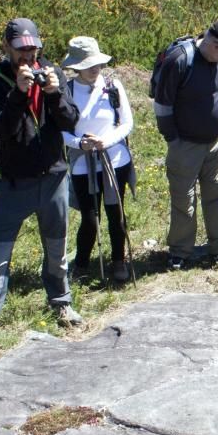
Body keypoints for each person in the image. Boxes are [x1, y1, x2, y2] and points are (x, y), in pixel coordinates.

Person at [0, 18, 82, 362]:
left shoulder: (53, 73)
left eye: (32, 47)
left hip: (53, 177)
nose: (28, 53)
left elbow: (70, 120)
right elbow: (1, 128)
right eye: (21, 47)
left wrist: (54, 94)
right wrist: (18, 94)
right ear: (8, 48)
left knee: (57, 247)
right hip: (14, 182)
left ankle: (61, 301)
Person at [154, 19, 218, 270]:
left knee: (216, 194)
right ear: (216, 46)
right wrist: (173, 139)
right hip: (185, 143)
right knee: (184, 200)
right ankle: (180, 252)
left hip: (217, 141)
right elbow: (163, 105)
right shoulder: (179, 60)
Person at [60, 36, 135, 283]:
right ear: (76, 67)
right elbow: (61, 129)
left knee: (116, 213)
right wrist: (79, 143)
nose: (95, 69)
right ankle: (81, 264)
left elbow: (126, 123)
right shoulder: (67, 90)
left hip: (115, 161)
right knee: (90, 219)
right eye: (88, 65)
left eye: (97, 64)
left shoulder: (113, 85)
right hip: (83, 164)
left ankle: (118, 261)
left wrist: (107, 141)